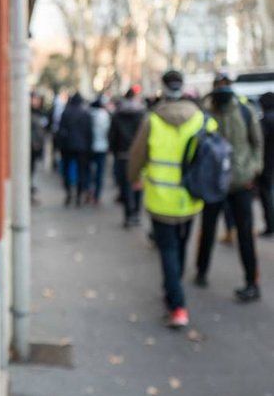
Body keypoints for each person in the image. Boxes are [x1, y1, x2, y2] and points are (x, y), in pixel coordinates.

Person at [129, 70, 213, 328]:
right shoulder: (201, 120)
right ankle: (173, 289)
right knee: (180, 246)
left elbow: (137, 156)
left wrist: (134, 179)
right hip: (190, 199)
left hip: (160, 199)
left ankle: (177, 305)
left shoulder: (152, 120)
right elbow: (215, 152)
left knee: (168, 251)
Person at [194, 73, 263, 302]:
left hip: (240, 183)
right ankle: (201, 271)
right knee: (208, 229)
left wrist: (253, 169)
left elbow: (257, 144)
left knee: (245, 234)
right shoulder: (206, 115)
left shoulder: (245, 113)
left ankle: (251, 282)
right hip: (214, 185)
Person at [110, 88, 145, 227]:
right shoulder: (142, 114)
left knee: (125, 186)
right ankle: (136, 212)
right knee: (137, 185)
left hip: (122, 155)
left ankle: (128, 214)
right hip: (138, 156)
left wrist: (114, 150)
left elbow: (112, 136)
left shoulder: (117, 114)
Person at [59, 93, 93, 207]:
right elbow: (89, 133)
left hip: (67, 147)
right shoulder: (85, 113)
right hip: (82, 148)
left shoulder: (66, 112)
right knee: (81, 172)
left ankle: (69, 193)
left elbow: (60, 130)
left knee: (66, 171)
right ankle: (78, 195)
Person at [89, 95, 111, 204]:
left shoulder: (89, 114)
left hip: (90, 147)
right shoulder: (104, 115)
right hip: (102, 147)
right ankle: (97, 195)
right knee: (99, 172)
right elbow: (108, 131)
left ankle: (89, 192)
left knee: (90, 171)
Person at [258, 92, 274, 236]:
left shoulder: (264, 121)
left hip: (267, 164)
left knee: (267, 195)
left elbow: (259, 143)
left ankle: (270, 226)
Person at [30, 92, 48, 201]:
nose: (36, 101)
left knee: (33, 169)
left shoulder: (40, 113)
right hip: (31, 147)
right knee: (30, 169)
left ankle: (30, 189)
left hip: (36, 147)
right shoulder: (29, 114)